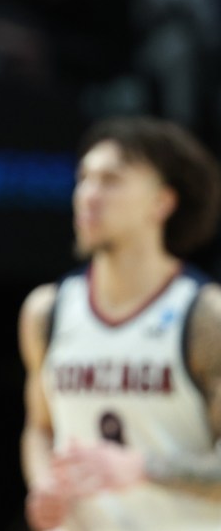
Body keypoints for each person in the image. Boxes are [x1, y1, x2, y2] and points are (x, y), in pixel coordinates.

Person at [18, 115, 221, 530]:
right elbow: (38, 431)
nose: (88, 195)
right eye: (84, 178)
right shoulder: (46, 311)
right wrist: (42, 485)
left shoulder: (205, 316)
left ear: (162, 202)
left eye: (111, 180)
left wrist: (143, 468)